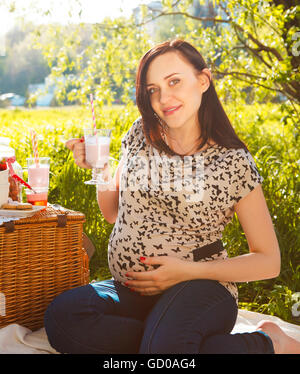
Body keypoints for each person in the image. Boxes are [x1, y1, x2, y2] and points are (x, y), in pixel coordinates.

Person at [44, 39, 300, 354]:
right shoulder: (140, 133)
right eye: (153, 89)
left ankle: (269, 342)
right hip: (133, 290)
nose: (164, 97)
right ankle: (167, 340)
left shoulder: (233, 161)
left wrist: (187, 271)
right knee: (62, 318)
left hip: (200, 287)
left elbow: (268, 261)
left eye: (174, 81)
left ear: (203, 80)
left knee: (164, 351)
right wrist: (101, 169)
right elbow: (112, 211)